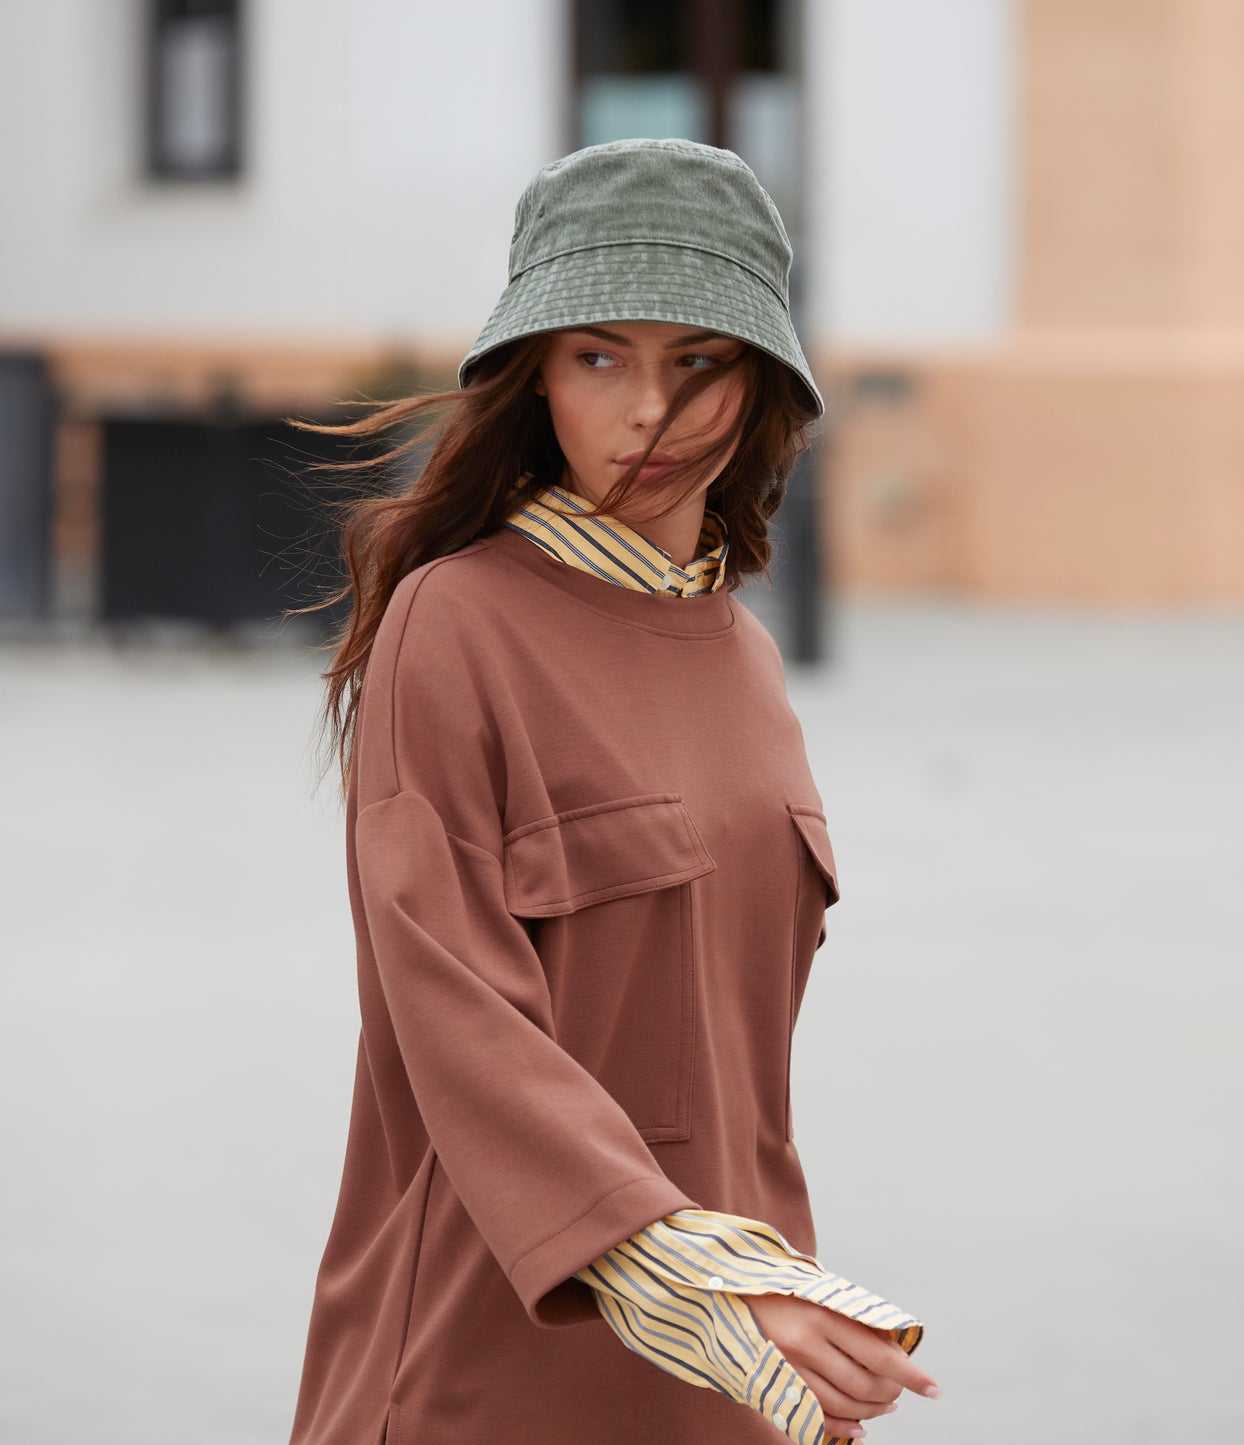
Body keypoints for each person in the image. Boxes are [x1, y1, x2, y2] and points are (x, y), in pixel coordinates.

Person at [283, 137, 940, 1445]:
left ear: (761, 386)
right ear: (535, 377)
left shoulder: (744, 657)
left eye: (697, 360)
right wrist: (709, 1285)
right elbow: (458, 1014)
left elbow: (731, 1062)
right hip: (487, 1365)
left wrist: (769, 1304)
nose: (648, 410)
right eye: (599, 356)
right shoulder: (454, 621)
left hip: (741, 1373)